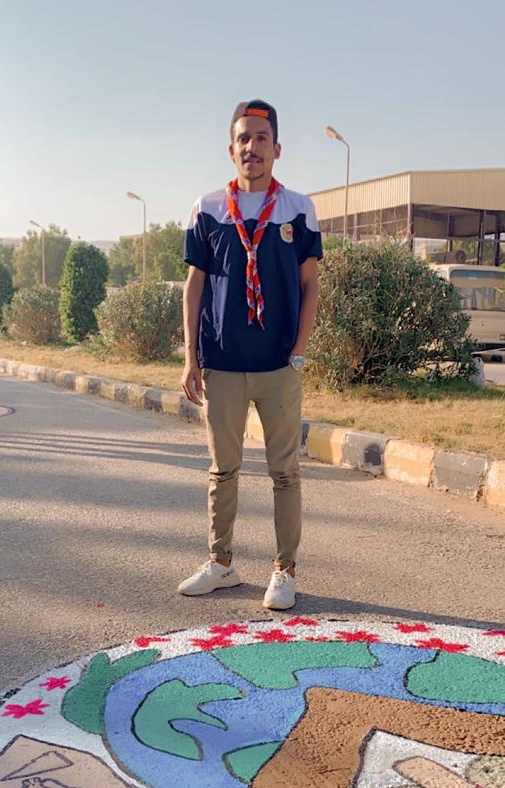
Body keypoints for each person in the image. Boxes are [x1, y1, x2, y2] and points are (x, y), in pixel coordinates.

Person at [179, 99, 322, 610]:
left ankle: (284, 570)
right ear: (231, 149)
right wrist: (191, 357)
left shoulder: (298, 209)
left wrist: (298, 354)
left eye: (262, 138)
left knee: (284, 472)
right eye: (244, 138)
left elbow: (311, 287)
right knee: (223, 470)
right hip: (222, 362)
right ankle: (221, 563)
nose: (252, 147)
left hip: (279, 365)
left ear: (277, 148)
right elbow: (194, 287)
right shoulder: (208, 208)